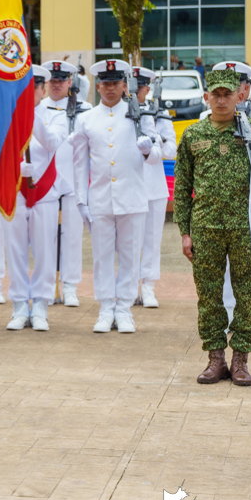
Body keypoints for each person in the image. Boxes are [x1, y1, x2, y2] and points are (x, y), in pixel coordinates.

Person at [179, 68, 251, 386]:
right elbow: (182, 187)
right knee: (209, 296)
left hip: (245, 229)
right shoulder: (192, 136)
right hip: (205, 227)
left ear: (240, 96)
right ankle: (215, 359)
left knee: (248, 295)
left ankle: (240, 360)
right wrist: (185, 232)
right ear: (206, 97)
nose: (222, 100)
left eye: (228, 94)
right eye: (217, 94)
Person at [72, 60, 160, 333]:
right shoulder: (85, 118)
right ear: (98, 86)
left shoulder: (139, 115)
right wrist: (80, 200)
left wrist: (147, 150)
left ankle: (124, 309)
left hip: (132, 198)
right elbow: (79, 163)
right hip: (100, 199)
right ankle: (105, 308)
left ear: (125, 86)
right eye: (105, 83)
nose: (110, 88)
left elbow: (156, 156)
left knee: (130, 256)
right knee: (102, 256)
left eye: (115, 83)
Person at [4, 66, 68, 331]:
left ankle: (40, 304)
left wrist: (30, 117)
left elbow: (53, 142)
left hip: (45, 191)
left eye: (35, 88)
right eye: (25, 89)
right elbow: (1, 148)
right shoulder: (6, 114)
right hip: (15, 188)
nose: (31, 92)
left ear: (43, 90)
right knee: (16, 249)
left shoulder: (56, 115)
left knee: (43, 250)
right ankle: (19, 303)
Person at [41, 60, 93, 307]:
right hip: (44, 183)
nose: (56, 85)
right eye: (52, 80)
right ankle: (48, 283)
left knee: (72, 236)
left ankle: (70, 285)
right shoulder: (37, 108)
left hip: (72, 180)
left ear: (70, 82)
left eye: (61, 80)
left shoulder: (84, 109)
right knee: (46, 237)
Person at [133, 66, 177, 308]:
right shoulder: (120, 112)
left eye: (141, 86)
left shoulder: (158, 112)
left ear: (148, 89)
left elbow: (172, 150)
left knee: (152, 240)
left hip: (154, 185)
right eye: (134, 85)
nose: (138, 90)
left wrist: (156, 141)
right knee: (128, 242)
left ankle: (148, 287)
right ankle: (130, 287)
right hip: (130, 185)